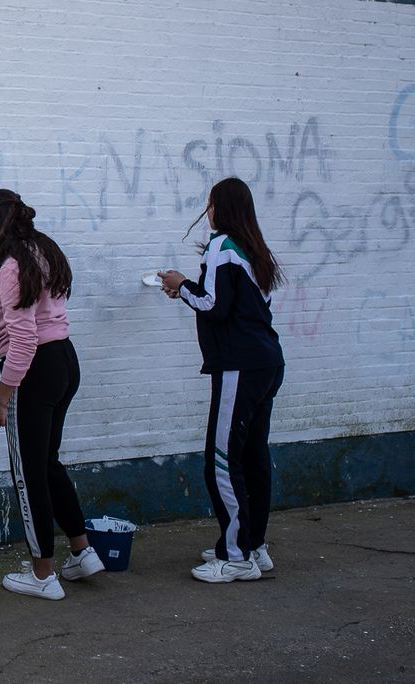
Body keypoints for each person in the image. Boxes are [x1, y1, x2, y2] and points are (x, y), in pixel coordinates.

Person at [0, 189, 103, 600]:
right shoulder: (41, 250)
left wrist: (1, 398)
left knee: (28, 474)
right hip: (63, 360)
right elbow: (33, 316)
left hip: (35, 371)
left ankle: (43, 574)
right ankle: (82, 552)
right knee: (46, 464)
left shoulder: (12, 265)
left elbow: (24, 341)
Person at [159, 176, 286, 584]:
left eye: (209, 203)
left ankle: (235, 556)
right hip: (267, 362)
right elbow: (240, 304)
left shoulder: (220, 246)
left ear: (219, 208)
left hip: (239, 367)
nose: (206, 209)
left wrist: (180, 286)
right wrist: (189, 290)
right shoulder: (253, 248)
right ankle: (254, 545)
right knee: (253, 457)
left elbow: (213, 305)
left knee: (221, 460)